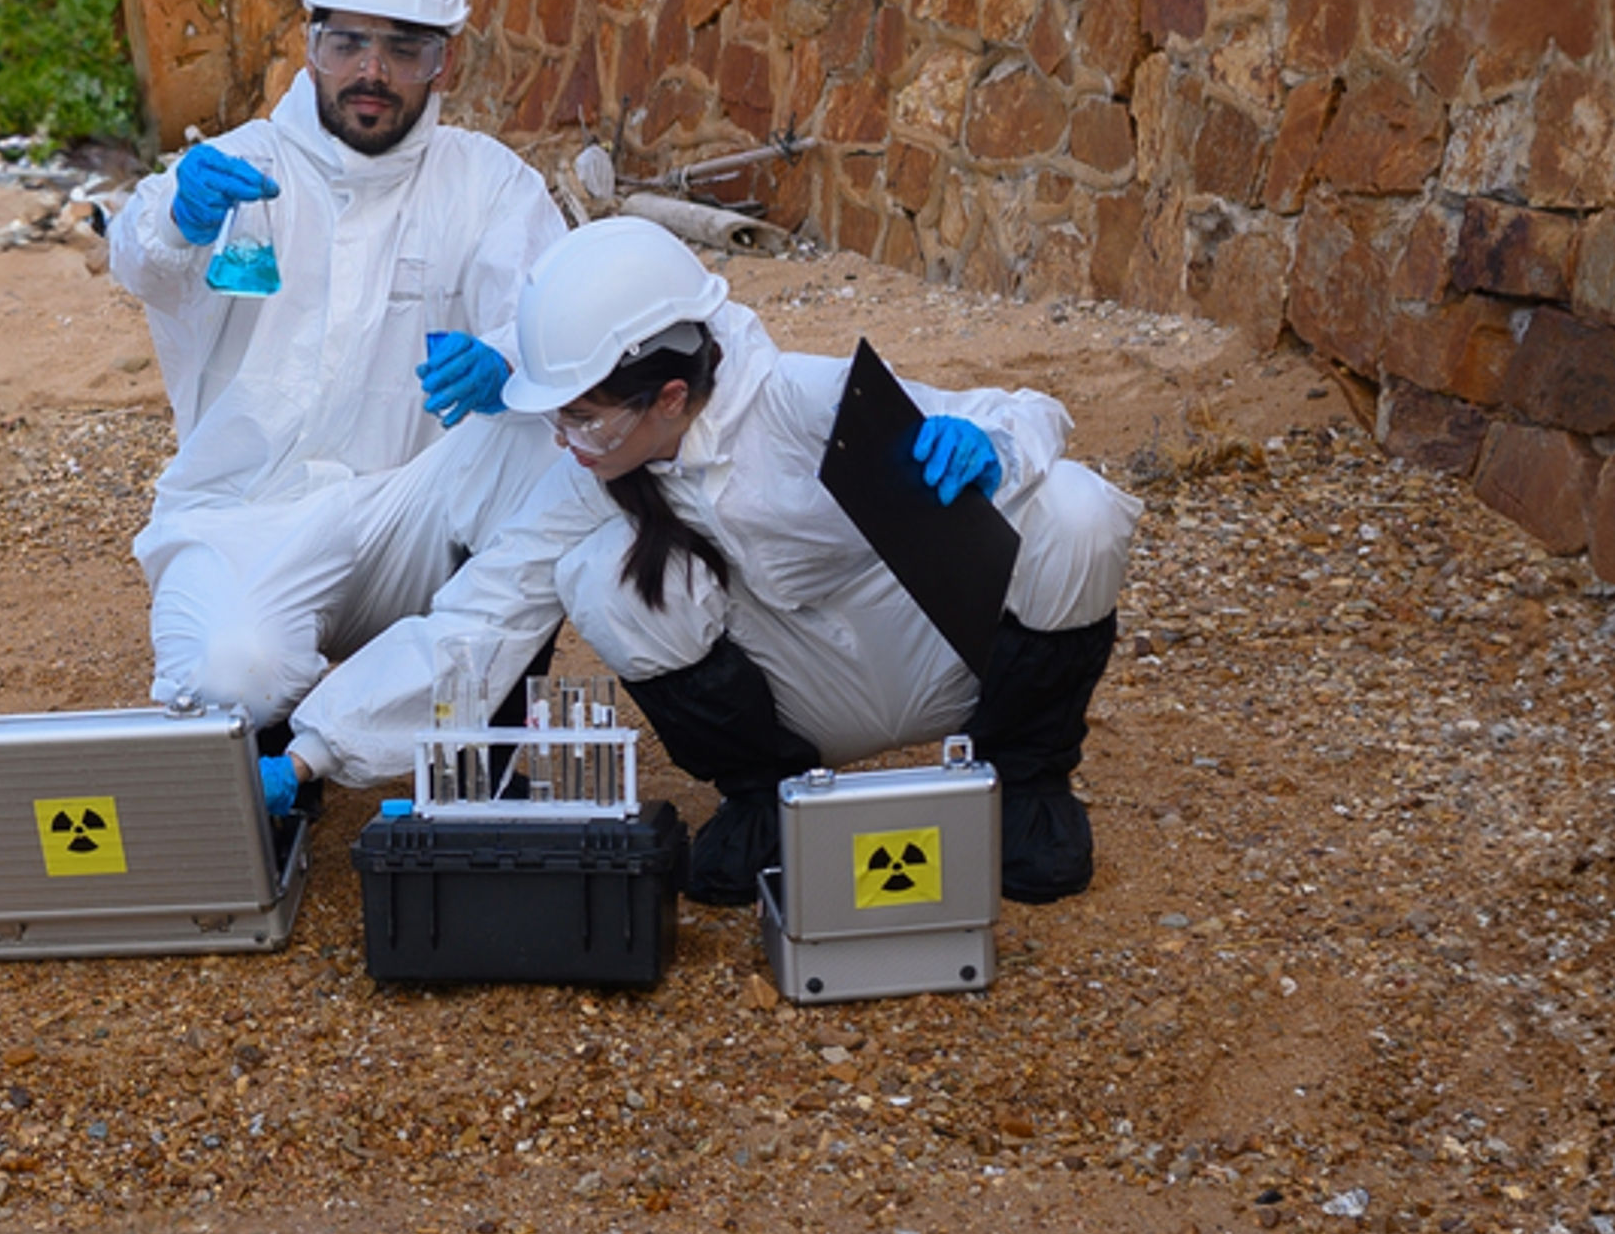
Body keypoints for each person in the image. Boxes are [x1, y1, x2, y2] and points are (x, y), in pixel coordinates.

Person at [283, 217, 1135, 898]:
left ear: (672, 396)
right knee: (600, 573)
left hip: (936, 654)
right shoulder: (594, 476)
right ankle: (767, 801)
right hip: (800, 697)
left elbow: (1027, 409)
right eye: (559, 418)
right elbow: (475, 624)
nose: (566, 442)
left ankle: (1022, 787)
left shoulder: (802, 401)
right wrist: (309, 752)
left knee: (1076, 510)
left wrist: (987, 442)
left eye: (586, 418)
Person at [109, 0, 570, 740]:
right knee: (224, 687)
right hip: (248, 516)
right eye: (349, 42)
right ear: (311, 39)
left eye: (405, 48)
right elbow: (139, 256)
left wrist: (510, 362)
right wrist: (179, 217)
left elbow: (562, 319)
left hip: (411, 519)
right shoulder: (245, 166)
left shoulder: (488, 184)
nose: (373, 72)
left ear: (446, 60)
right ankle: (287, 717)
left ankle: (488, 724)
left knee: (550, 433)